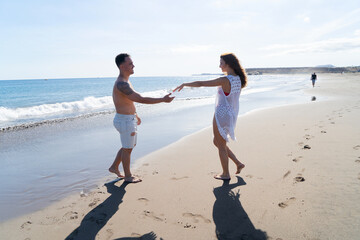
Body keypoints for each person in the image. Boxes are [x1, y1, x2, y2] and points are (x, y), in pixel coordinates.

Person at [173, 53, 247, 180]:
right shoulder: (238, 79)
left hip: (221, 114)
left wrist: (185, 84)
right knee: (217, 142)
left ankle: (225, 174)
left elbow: (201, 83)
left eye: (221, 63)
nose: (219, 66)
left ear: (228, 64)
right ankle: (238, 163)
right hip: (231, 114)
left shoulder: (225, 80)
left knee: (221, 145)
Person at [109, 53, 174, 183]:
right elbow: (140, 99)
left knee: (128, 146)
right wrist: (163, 100)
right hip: (125, 120)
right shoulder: (122, 84)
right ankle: (128, 176)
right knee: (127, 148)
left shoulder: (126, 81)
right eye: (130, 63)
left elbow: (128, 101)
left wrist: (135, 114)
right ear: (122, 66)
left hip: (128, 118)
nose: (133, 65)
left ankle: (114, 166)